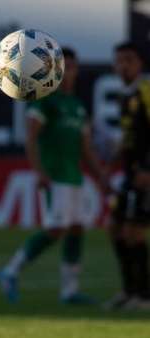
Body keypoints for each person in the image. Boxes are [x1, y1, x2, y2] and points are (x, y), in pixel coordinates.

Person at [0, 48, 109, 304]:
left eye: (71, 66)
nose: (68, 71)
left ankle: (69, 291)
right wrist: (39, 171)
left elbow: (86, 149)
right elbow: (31, 137)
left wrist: (101, 177)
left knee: (77, 228)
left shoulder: (77, 107)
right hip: (54, 175)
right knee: (56, 228)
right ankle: (10, 271)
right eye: (63, 66)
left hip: (74, 177)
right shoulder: (46, 100)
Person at [104, 42, 150, 310]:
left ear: (140, 64)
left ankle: (144, 295)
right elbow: (130, 137)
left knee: (134, 232)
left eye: (129, 60)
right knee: (115, 229)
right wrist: (111, 164)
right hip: (129, 173)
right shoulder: (125, 95)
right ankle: (129, 290)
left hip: (143, 174)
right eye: (119, 61)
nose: (123, 66)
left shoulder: (146, 91)